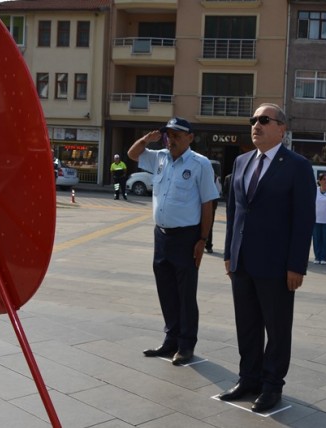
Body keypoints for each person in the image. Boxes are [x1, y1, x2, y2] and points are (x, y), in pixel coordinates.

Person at [219, 103, 316, 413]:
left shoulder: (297, 166)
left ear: (281, 129)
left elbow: (304, 220)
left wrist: (296, 265)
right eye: (253, 120)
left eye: (264, 120)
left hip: (276, 264)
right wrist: (228, 253)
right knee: (246, 325)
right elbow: (234, 212)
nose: (256, 125)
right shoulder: (242, 161)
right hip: (242, 261)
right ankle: (248, 378)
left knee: (276, 328)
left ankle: (272, 385)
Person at [128, 117, 219, 365]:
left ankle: (186, 344)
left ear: (190, 137)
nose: (172, 140)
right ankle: (171, 340)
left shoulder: (200, 164)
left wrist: (202, 239)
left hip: (187, 237)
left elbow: (207, 203)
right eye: (169, 135)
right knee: (166, 290)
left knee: (186, 293)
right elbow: (133, 153)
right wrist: (148, 139)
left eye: (177, 135)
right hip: (162, 235)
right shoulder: (159, 158)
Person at [205, 171, 222, 254]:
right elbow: (219, 191)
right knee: (209, 225)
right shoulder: (215, 177)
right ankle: (208, 246)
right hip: (211, 204)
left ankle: (207, 245)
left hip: (202, 204)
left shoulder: (201, 174)